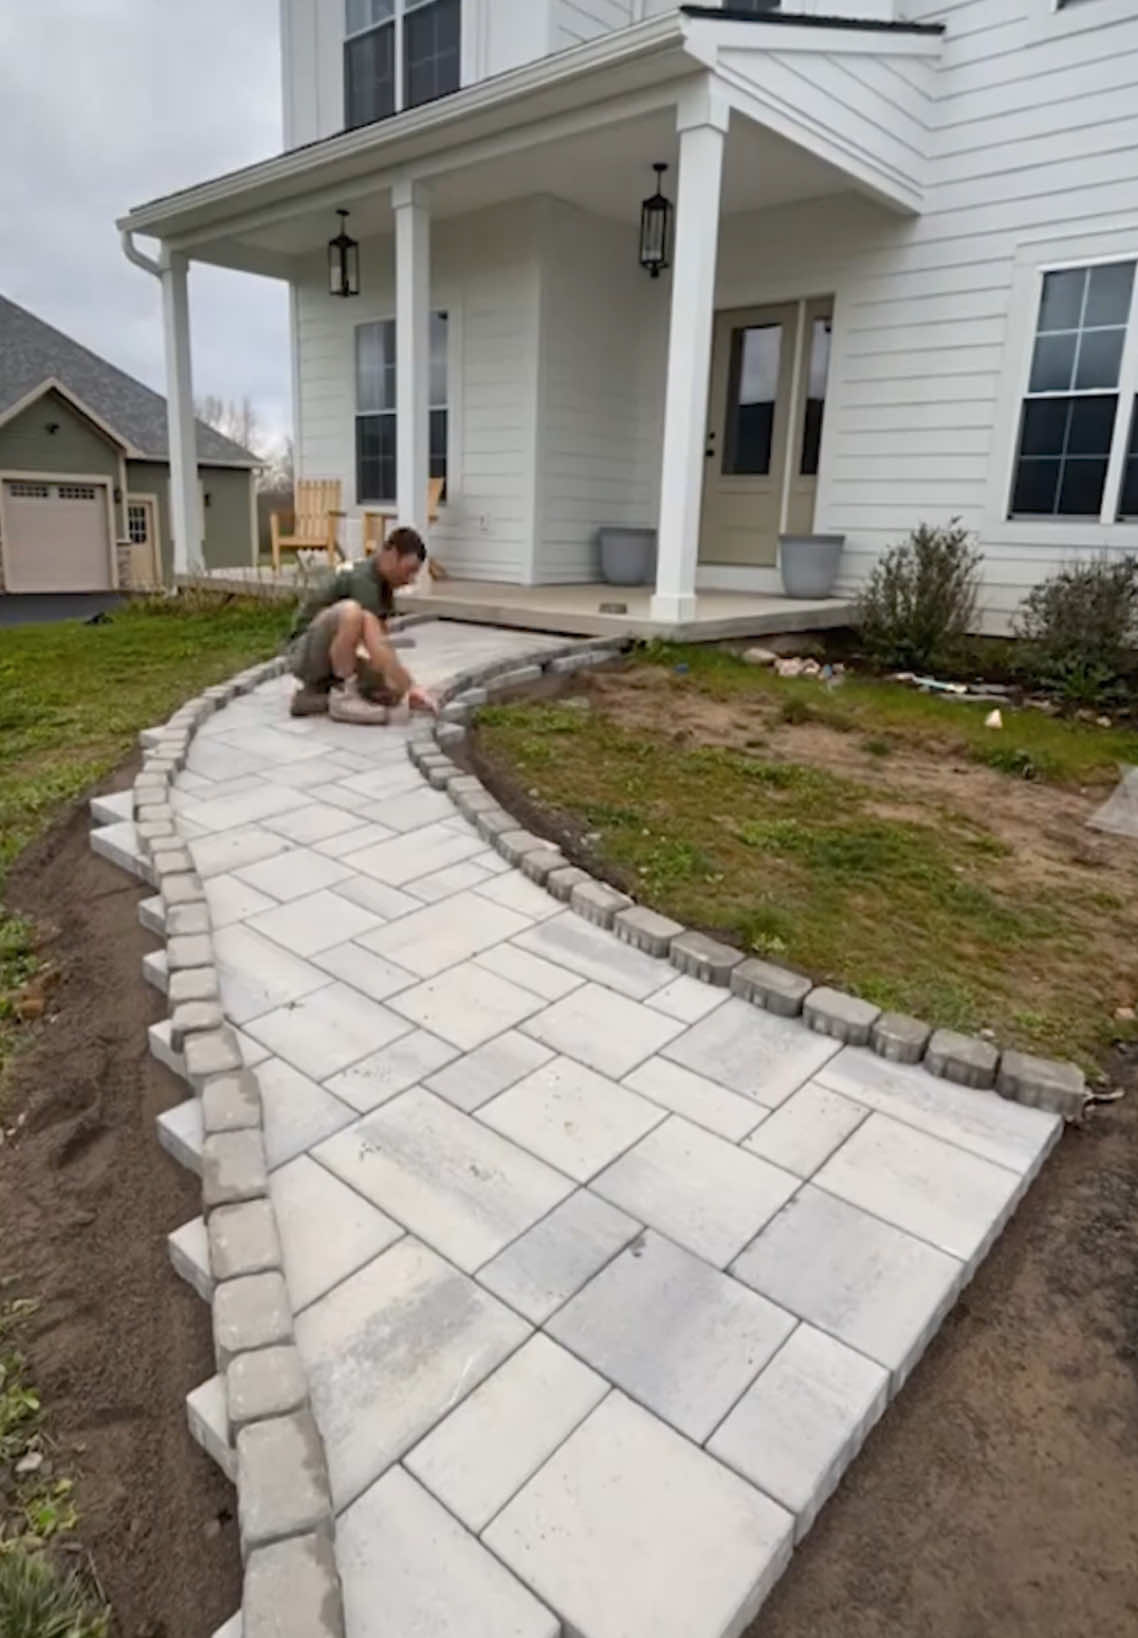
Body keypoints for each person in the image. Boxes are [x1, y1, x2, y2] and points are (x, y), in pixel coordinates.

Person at [287, 527, 437, 724]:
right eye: (409, 571)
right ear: (392, 555)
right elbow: (376, 645)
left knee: (387, 691)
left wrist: (398, 687)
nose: (410, 580)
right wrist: (409, 687)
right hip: (304, 655)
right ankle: (343, 699)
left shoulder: (381, 583)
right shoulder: (364, 581)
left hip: (323, 653)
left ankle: (312, 699)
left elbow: (382, 647)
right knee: (352, 612)